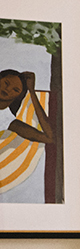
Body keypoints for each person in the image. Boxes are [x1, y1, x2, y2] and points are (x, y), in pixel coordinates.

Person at [0, 68, 54, 196]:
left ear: (18, 96)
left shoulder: (11, 121)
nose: (7, 90)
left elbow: (49, 137)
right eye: (6, 83)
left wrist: (32, 92)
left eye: (15, 90)